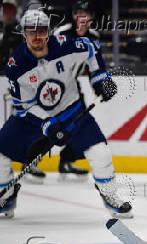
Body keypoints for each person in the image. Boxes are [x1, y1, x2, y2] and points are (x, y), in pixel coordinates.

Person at [0, 9, 132, 218]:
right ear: (23, 33)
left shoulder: (65, 45)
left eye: (41, 30)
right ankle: (5, 197)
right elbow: (24, 108)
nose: (36, 36)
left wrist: (99, 79)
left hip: (71, 110)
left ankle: (110, 195)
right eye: (31, 31)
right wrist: (48, 125)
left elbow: (91, 47)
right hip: (33, 119)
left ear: (49, 31)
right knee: (1, 154)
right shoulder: (16, 66)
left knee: (101, 153)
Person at [49, 0, 101, 181]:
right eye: (79, 13)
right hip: (54, 85)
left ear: (92, 16)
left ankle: (66, 161)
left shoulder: (94, 36)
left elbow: (94, 65)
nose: (82, 17)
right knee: (50, 126)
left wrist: (99, 84)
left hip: (74, 86)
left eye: (86, 13)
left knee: (81, 125)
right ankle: (28, 161)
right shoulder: (61, 33)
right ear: (73, 15)